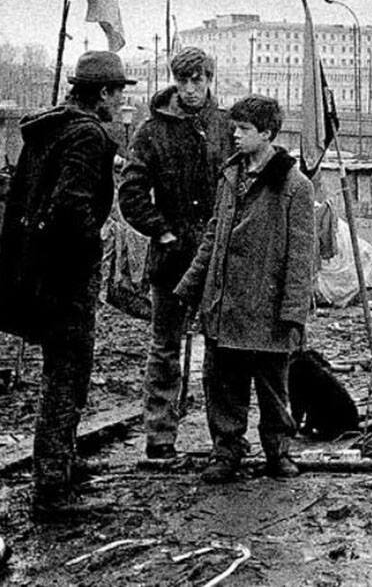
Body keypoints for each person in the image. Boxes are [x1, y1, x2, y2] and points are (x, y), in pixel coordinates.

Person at [0, 51, 134, 521]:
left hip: (38, 274)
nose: (121, 100)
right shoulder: (89, 135)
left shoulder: (50, 128)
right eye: (119, 92)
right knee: (68, 377)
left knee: (60, 374)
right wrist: (98, 234)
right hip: (66, 279)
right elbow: (71, 205)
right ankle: (53, 489)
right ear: (105, 93)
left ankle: (58, 471)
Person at [175, 95, 317, 483]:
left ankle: (278, 451)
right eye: (234, 128)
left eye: (244, 129)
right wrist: (190, 286)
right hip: (225, 304)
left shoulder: (294, 185)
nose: (235, 135)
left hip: (267, 308)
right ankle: (226, 451)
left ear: (268, 134)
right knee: (223, 385)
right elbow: (213, 236)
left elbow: (302, 254)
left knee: (273, 387)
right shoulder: (230, 176)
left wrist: (293, 312)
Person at [118, 47, 231, 460]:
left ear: (209, 79)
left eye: (197, 80)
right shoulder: (151, 130)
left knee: (222, 349)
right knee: (164, 348)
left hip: (219, 256)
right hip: (172, 255)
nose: (190, 89)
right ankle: (160, 436)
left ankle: (226, 440)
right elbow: (130, 193)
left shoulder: (227, 127)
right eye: (182, 81)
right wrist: (161, 232)